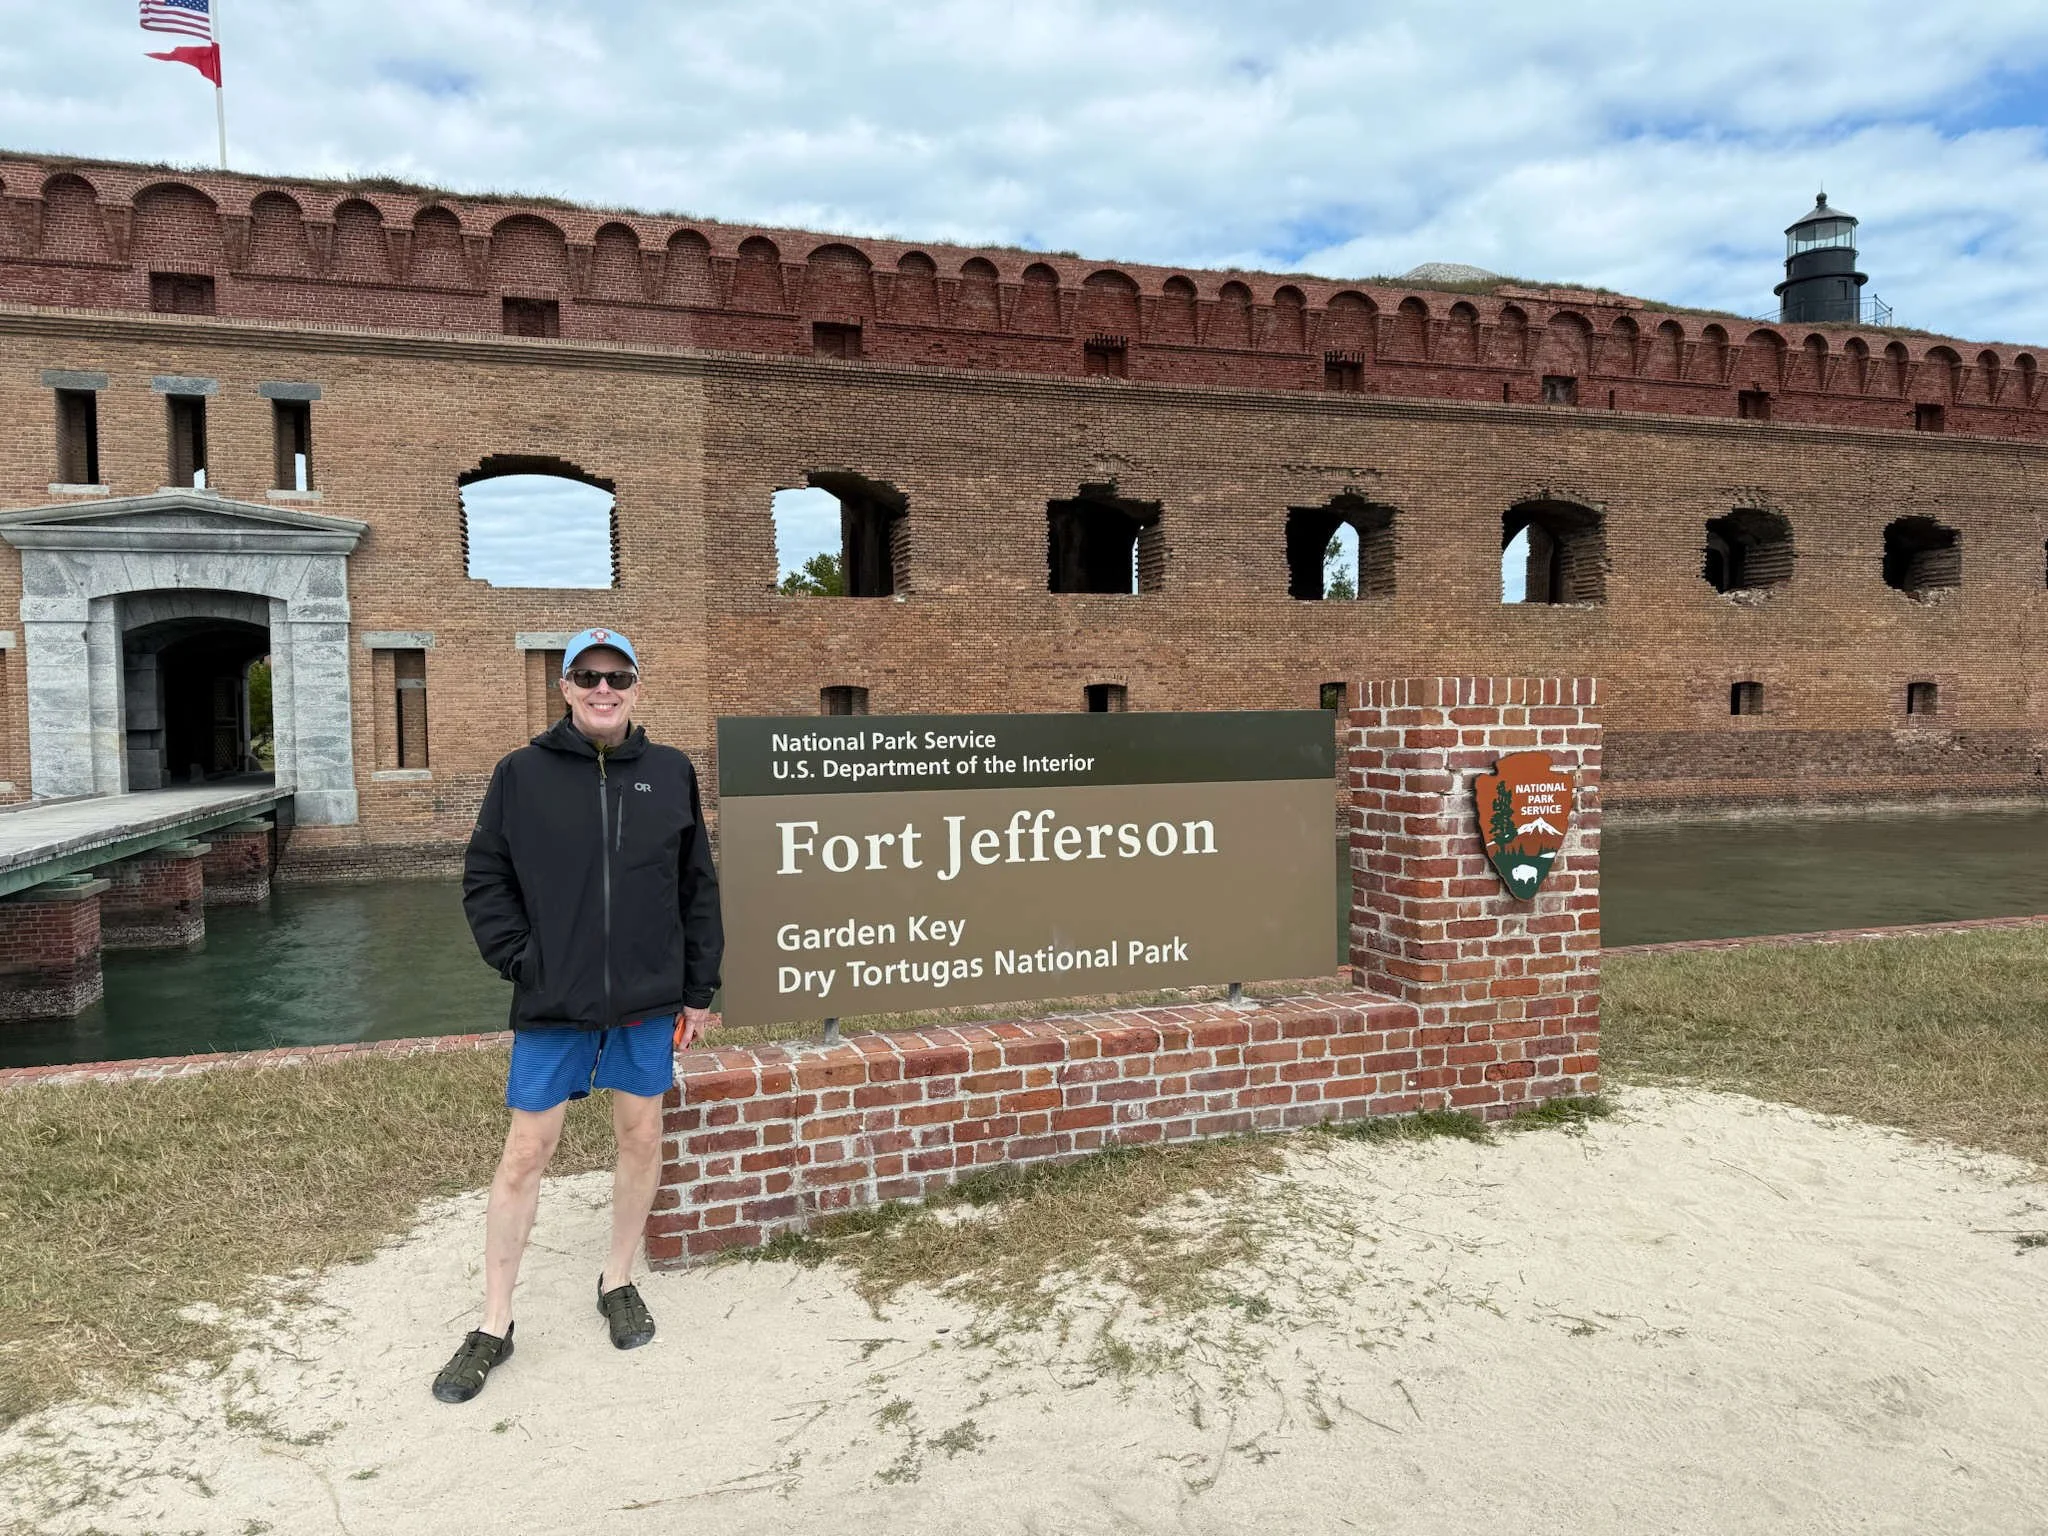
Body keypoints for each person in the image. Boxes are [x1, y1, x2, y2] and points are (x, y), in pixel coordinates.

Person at [434, 627, 723, 1404]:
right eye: (588, 676)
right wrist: (521, 959)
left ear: (638, 686)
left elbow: (696, 887)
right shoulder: (520, 775)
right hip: (553, 1002)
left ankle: (617, 1277)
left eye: (618, 676)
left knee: (641, 1136)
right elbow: (484, 878)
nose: (604, 689)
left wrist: (699, 990)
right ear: (564, 686)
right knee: (526, 1153)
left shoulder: (669, 773)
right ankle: (494, 1322)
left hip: (644, 1001)